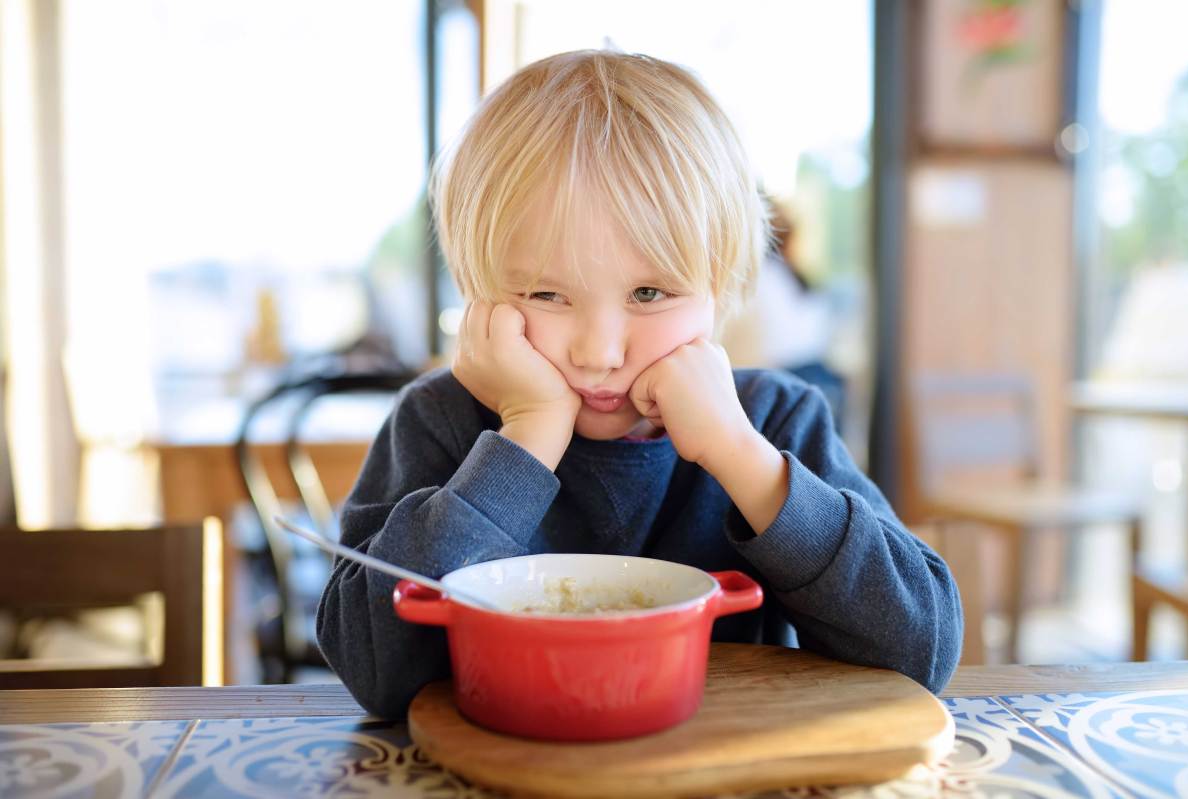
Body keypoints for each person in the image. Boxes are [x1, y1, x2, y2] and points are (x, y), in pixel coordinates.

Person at [317, 50, 962, 718]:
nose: (599, 351)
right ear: (481, 290)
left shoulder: (774, 421)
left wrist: (743, 459)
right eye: (546, 292)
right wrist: (528, 434)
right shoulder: (439, 421)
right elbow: (372, 670)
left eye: (649, 292)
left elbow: (923, 650)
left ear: (719, 285)